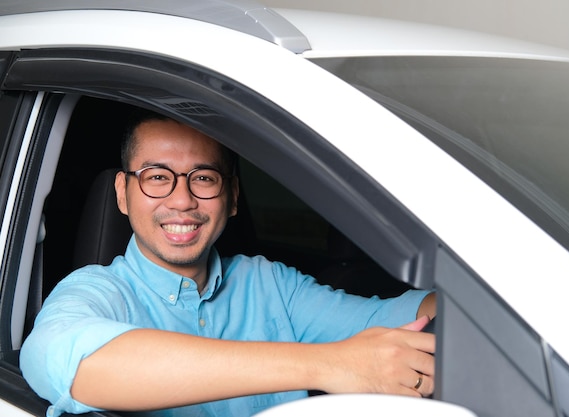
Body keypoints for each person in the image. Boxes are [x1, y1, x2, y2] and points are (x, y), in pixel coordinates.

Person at [20, 110, 437, 417]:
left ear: (232, 196)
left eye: (203, 177)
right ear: (124, 194)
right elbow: (63, 362)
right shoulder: (97, 291)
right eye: (157, 177)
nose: (182, 200)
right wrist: (330, 365)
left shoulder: (269, 283)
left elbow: (392, 319)